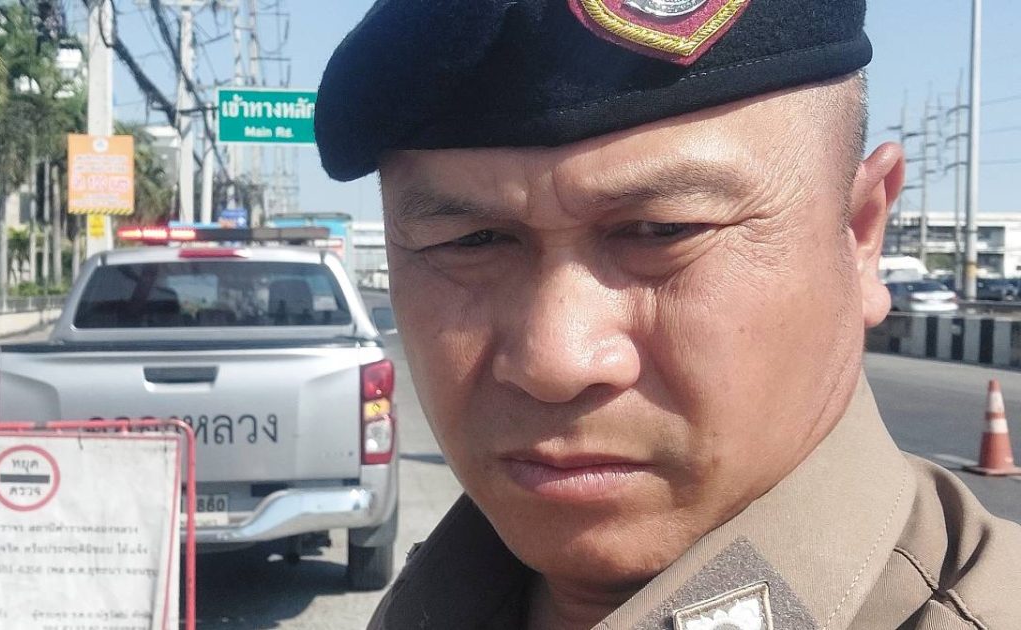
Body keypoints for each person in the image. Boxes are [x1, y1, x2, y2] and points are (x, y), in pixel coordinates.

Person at [315, 0, 1021, 628]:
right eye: (472, 242)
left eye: (662, 231)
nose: (554, 360)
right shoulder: (439, 598)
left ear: (861, 236)